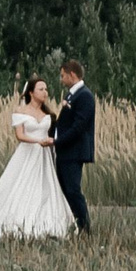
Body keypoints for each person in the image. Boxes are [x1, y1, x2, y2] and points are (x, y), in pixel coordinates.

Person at [0, 77, 76, 241]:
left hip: (44, 155)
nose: (45, 92)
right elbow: (20, 135)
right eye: (41, 89)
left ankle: (46, 221)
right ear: (31, 92)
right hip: (28, 152)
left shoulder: (47, 114)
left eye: (46, 89)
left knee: (45, 187)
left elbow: (55, 133)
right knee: (21, 184)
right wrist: (38, 141)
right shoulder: (20, 111)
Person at [46, 58, 97, 234]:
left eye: (62, 76)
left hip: (74, 152)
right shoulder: (72, 95)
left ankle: (84, 227)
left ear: (72, 74)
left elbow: (78, 127)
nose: (61, 80)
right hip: (65, 151)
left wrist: (56, 141)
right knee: (65, 189)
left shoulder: (85, 96)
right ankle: (73, 224)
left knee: (73, 189)